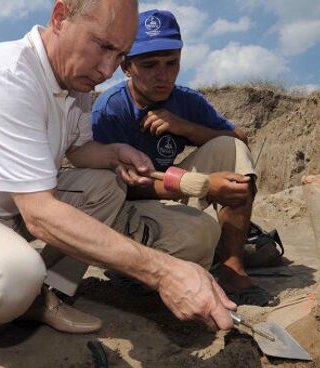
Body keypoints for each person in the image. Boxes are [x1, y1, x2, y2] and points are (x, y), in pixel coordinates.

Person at [0, 1, 235, 367]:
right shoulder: (4, 77)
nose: (108, 70)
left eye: (119, 54)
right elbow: (40, 214)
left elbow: (79, 149)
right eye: (103, 46)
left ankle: (42, 296)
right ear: (60, 18)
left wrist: (113, 153)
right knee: (13, 273)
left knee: (105, 186)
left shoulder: (74, 79)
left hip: (9, 210)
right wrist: (164, 272)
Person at [91, 9, 274, 307]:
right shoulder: (110, 111)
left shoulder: (185, 100)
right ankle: (127, 267)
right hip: (122, 206)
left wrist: (184, 127)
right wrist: (198, 185)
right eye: (149, 65)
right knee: (202, 234)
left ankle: (232, 268)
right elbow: (117, 188)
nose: (163, 75)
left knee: (230, 147)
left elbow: (239, 139)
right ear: (126, 66)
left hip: (166, 193)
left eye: (171, 63)